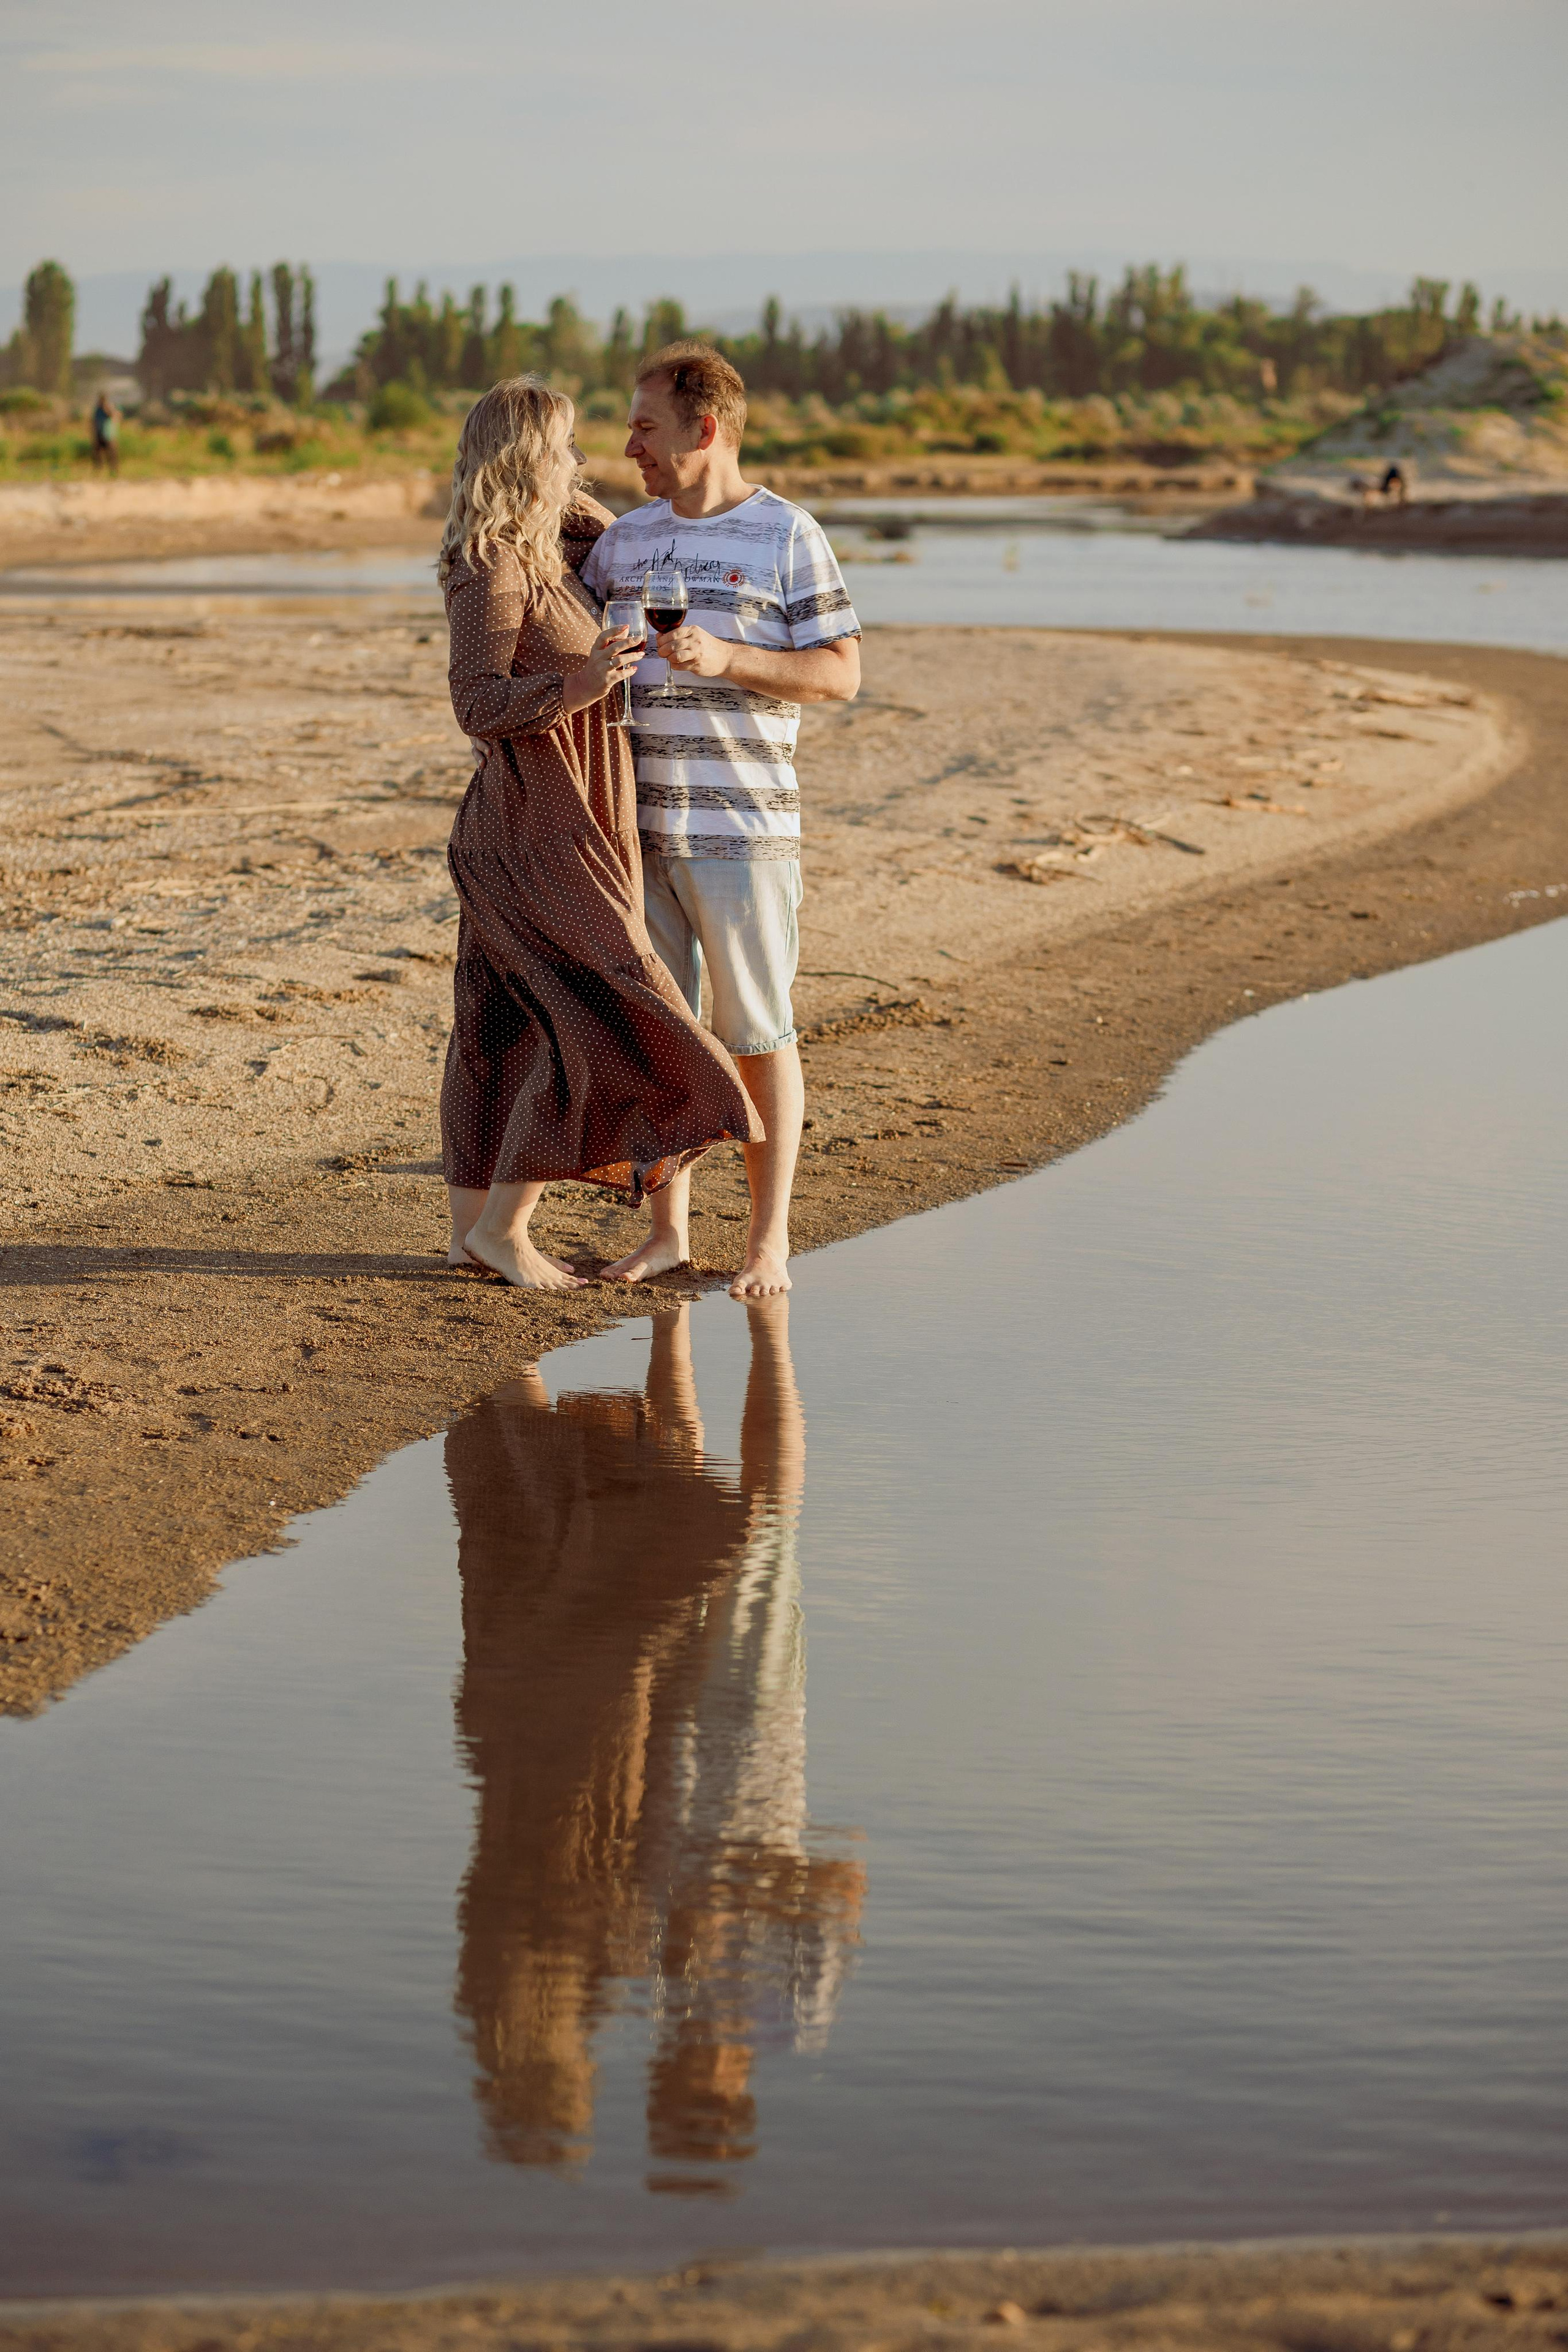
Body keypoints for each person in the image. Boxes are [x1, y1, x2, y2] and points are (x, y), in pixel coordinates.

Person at [447, 1298, 864, 2173]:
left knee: (696, 1533)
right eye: (689, 2096)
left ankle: (664, 1329)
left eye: (671, 2097)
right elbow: (843, 1875)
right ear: (734, 2092)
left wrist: (696, 1911)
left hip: (653, 1752)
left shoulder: (651, 1999)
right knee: (749, 1531)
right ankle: (727, 1330)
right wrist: (742, 1888)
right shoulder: (784, 2012)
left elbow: (606, 1885)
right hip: (737, 1756)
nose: (680, 2077)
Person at [439, 375, 760, 1291]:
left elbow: (607, 528)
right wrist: (573, 690)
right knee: (601, 1014)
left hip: (570, 816)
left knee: (498, 1026)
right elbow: (475, 699)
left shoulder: (547, 547)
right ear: (523, 460)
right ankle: (504, 1228)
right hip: (540, 828)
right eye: (565, 447)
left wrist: (564, 489)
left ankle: (473, 1237)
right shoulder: (495, 563)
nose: (582, 461)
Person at [579, 343, 861, 1299]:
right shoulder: (623, 542)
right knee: (666, 1035)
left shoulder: (789, 535)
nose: (629, 447)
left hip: (743, 833)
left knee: (756, 1034)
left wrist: (731, 658)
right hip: (634, 831)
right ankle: (667, 1235)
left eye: (645, 427)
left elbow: (840, 673)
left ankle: (768, 1245)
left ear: (706, 430)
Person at [90, 389, 119, 475]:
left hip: (109, 435)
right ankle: (98, 471)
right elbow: (93, 421)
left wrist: (106, 407)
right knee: (97, 454)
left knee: (112, 455)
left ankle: (114, 472)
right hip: (99, 434)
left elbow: (115, 416)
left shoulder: (110, 407)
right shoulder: (97, 409)